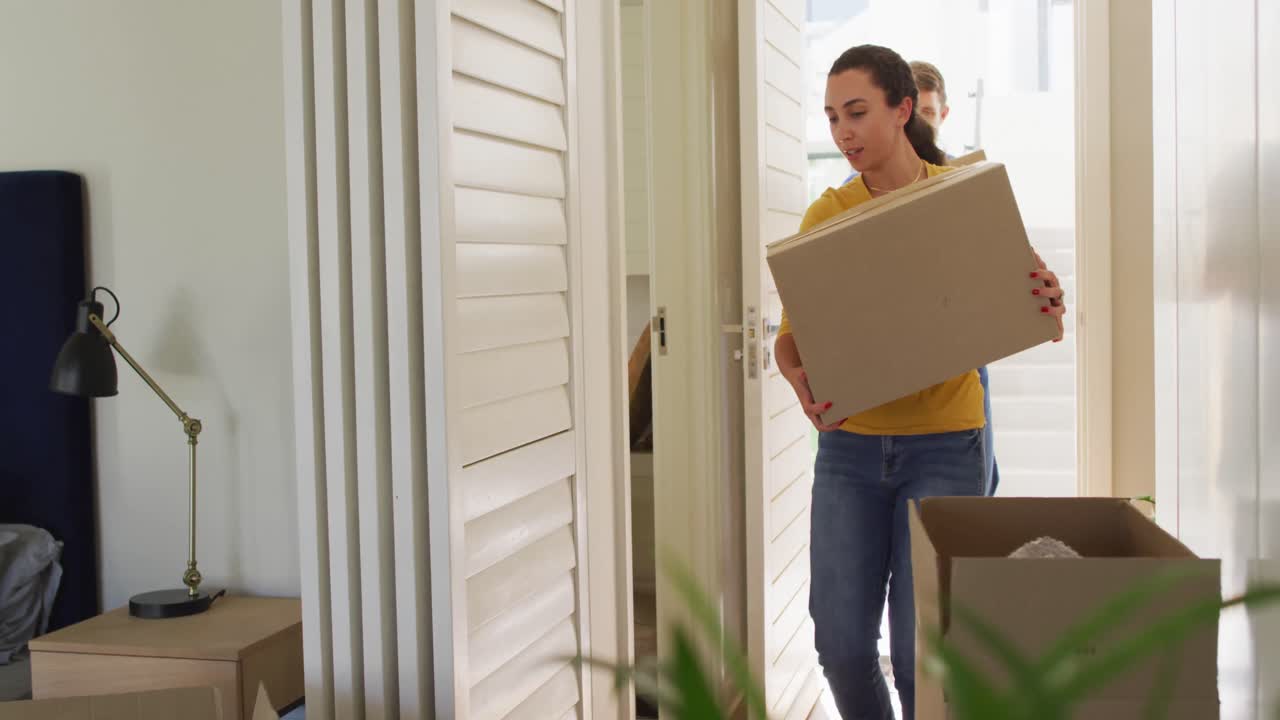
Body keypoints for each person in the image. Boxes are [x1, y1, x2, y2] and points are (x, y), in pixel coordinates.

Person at [775, 45, 1065, 719]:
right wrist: (794, 374)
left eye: (857, 113)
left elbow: (1032, 309)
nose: (843, 132)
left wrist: (1048, 302)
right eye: (832, 117)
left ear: (904, 109)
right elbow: (795, 336)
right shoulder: (827, 215)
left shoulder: (961, 199)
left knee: (918, 656)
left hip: (946, 448)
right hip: (849, 453)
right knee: (843, 646)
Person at [843, 60, 1002, 497]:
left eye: (927, 115)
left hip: (955, 363)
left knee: (977, 473)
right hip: (884, 379)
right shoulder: (851, 192)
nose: (918, 125)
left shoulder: (961, 185)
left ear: (939, 115)